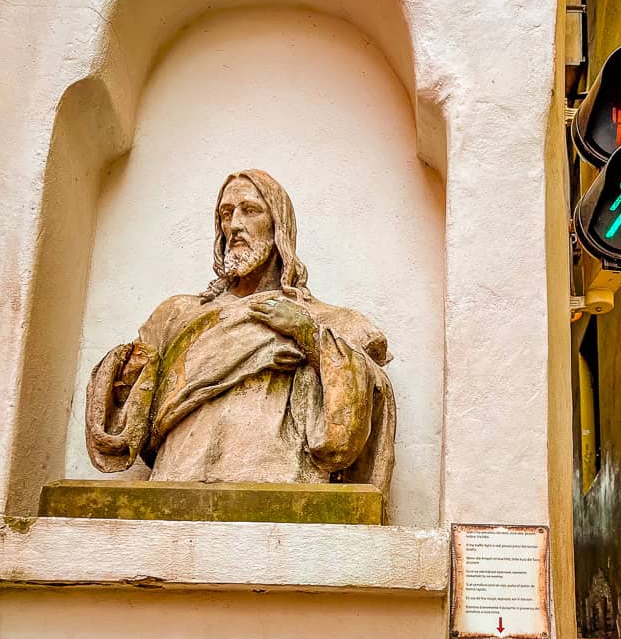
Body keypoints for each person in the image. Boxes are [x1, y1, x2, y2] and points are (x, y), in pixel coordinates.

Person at [85, 170, 396, 501]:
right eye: (225, 213)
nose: (234, 225)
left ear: (279, 225)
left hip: (281, 484)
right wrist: (125, 374)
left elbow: (367, 402)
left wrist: (309, 336)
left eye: (249, 210)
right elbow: (126, 416)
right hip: (179, 478)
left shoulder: (330, 321)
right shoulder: (176, 315)